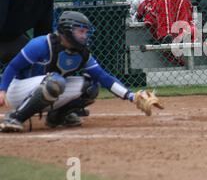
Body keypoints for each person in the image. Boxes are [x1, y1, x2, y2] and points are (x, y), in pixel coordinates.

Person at [0, 11, 156, 133]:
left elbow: (103, 77)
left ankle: (57, 117)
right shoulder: (42, 44)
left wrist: (131, 96)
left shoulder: (81, 52)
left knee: (90, 87)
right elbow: (13, 67)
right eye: (80, 31)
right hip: (18, 91)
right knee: (55, 81)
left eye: (85, 32)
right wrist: (2, 90)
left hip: (48, 86)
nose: (84, 36)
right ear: (67, 31)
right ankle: (15, 118)